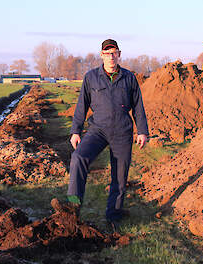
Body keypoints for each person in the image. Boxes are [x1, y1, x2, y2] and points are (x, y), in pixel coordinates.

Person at [52, 39, 148, 230]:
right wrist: (75, 131)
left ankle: (113, 216)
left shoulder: (129, 78)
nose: (111, 57)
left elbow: (138, 106)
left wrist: (142, 131)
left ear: (119, 54)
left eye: (114, 53)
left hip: (122, 131)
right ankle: (72, 206)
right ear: (101, 55)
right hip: (98, 130)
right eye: (107, 53)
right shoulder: (91, 77)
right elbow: (82, 106)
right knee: (78, 157)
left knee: (120, 177)